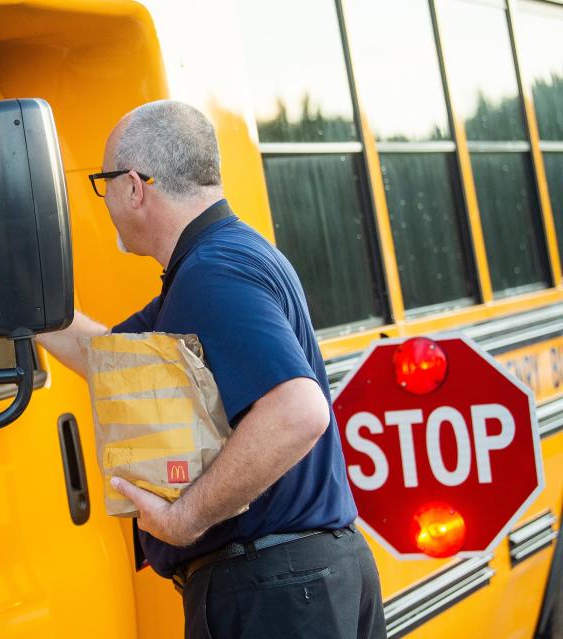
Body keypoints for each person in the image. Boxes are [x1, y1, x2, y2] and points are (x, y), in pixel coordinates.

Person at [36, 101, 386, 638]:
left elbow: (298, 410)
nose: (104, 200)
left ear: (134, 186)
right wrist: (7, 287)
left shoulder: (212, 273)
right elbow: (110, 359)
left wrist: (184, 518)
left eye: (103, 183)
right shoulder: (220, 259)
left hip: (276, 593)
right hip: (298, 584)